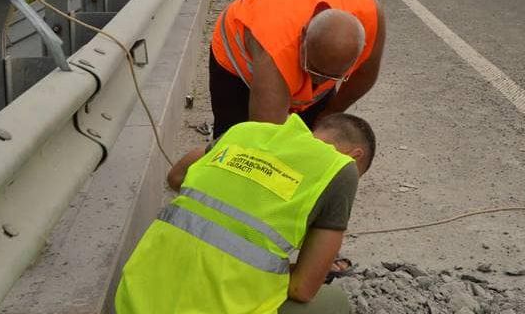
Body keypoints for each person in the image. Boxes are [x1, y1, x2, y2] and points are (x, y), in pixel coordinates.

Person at [115, 111, 376, 314]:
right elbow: (302, 289)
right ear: (355, 155)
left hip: (133, 299)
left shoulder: (246, 131)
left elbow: (176, 176)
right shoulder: (342, 169)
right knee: (335, 302)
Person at [209, 0, 386, 136]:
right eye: (313, 70)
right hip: (238, 58)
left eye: (331, 77)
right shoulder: (275, 52)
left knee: (310, 134)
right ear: (303, 37)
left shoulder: (371, 17)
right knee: (235, 142)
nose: (317, 81)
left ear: (360, 51)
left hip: (298, 49)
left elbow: (365, 76)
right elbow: (265, 141)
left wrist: (329, 112)